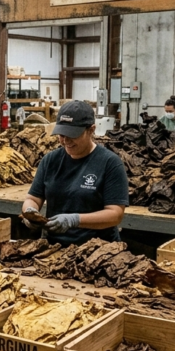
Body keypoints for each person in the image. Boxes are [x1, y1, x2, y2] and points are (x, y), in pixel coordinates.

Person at [21, 101, 129, 245]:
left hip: (97, 250)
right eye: (62, 134)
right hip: (55, 247)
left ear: (91, 130)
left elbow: (115, 214)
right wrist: (30, 211)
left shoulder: (109, 163)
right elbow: (33, 198)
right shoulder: (50, 160)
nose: (65, 141)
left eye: (72, 135)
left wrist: (75, 220)